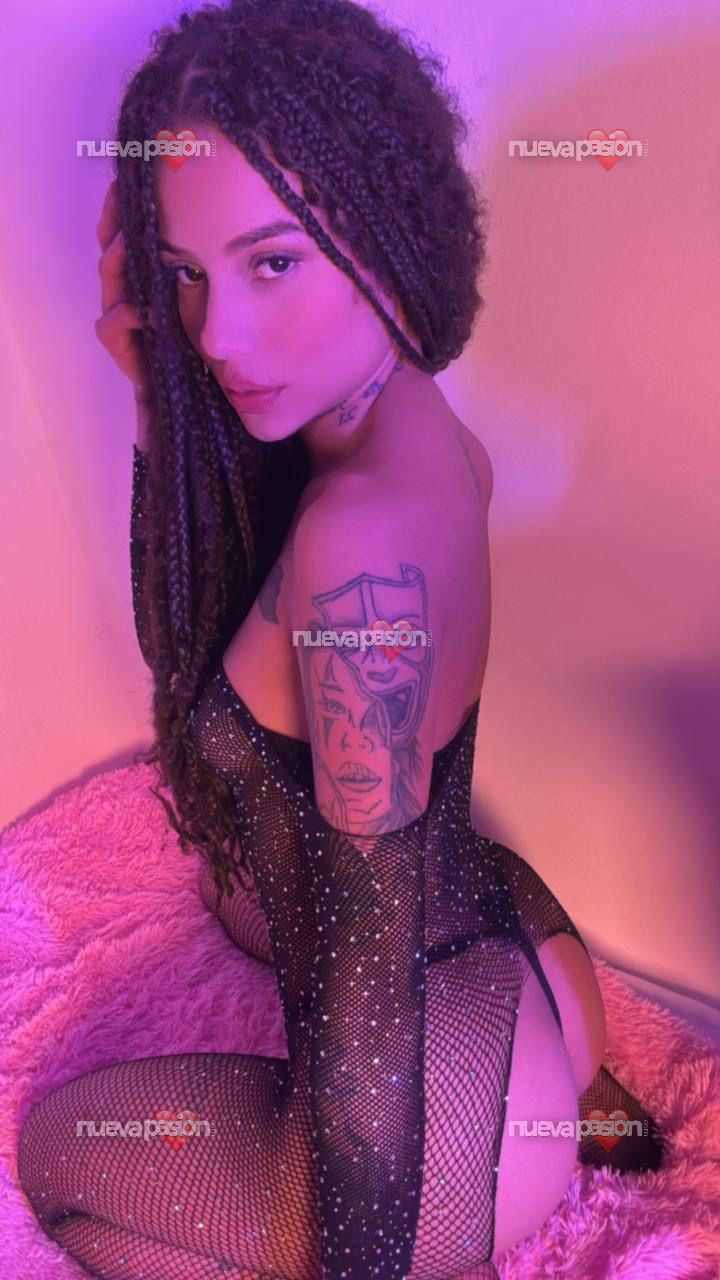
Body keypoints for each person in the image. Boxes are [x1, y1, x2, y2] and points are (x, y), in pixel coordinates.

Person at [17, 2, 664, 1277]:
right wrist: (155, 404)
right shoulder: (423, 430)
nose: (217, 336)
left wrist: (361, 1250)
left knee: (60, 1161)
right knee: (276, 892)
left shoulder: (355, 545)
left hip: (448, 1137)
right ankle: (583, 1094)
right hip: (532, 999)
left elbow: (370, 1033)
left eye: (271, 264)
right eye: (187, 273)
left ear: (383, 224)